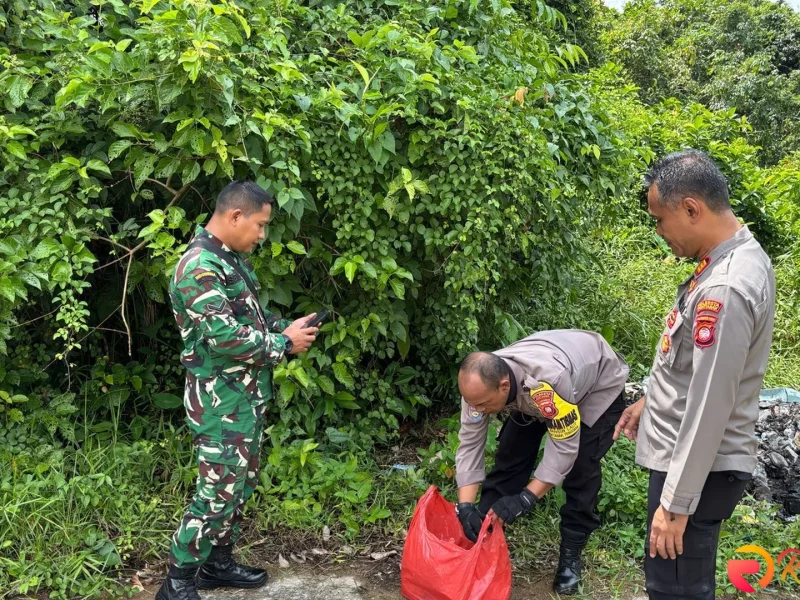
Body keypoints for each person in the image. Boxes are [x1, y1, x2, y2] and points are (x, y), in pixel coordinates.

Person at [614, 150, 776, 600]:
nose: (660, 232)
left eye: (660, 220)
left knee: (677, 588)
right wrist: (654, 397)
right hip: (693, 466)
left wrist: (675, 504)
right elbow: (702, 370)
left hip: (695, 473)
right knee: (678, 582)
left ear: (691, 208)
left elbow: (709, 405)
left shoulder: (724, 288)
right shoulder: (737, 253)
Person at [157, 181, 319, 600]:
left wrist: (282, 327)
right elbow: (224, 337)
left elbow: (248, 319)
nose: (262, 235)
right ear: (235, 217)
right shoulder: (199, 266)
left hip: (242, 397)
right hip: (218, 401)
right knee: (216, 491)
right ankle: (176, 582)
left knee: (239, 485)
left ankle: (217, 564)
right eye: (260, 225)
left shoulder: (227, 259)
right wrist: (284, 345)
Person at [455, 330, 629, 595]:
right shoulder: (478, 386)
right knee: (511, 454)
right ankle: (482, 535)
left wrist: (526, 498)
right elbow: (470, 443)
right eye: (473, 404)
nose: (477, 409)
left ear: (504, 386)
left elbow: (564, 449)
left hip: (596, 384)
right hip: (547, 379)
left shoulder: (546, 383)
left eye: (483, 404)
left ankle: (571, 555)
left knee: (581, 467)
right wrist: (465, 506)